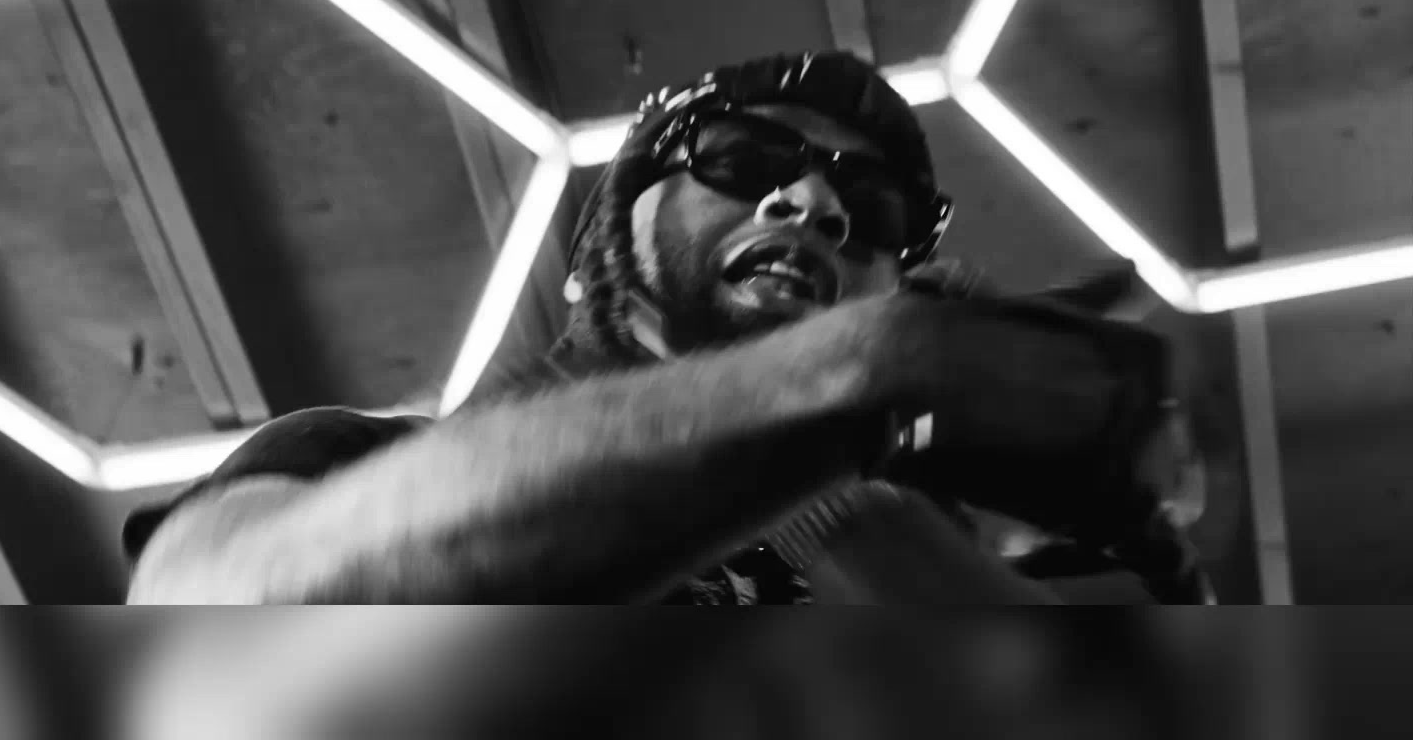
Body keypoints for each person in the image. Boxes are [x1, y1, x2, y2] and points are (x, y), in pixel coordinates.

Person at [124, 50, 1202, 605]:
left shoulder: (904, 539)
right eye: (744, 160)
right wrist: (863, 369)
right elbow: (222, 626)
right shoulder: (364, 461)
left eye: (873, 211)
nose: (814, 206)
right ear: (612, 229)